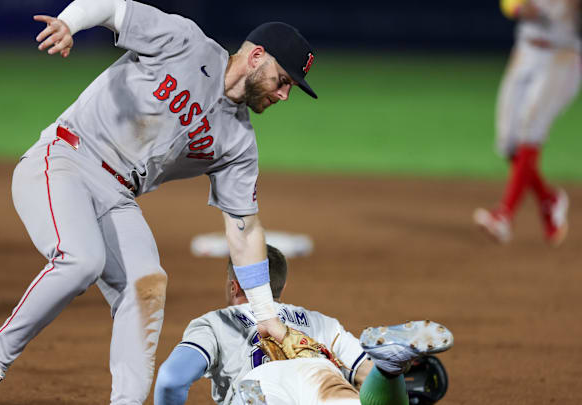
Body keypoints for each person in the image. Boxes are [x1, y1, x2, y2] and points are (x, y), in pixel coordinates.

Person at [0, 0, 320, 403]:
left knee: (147, 285)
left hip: (117, 196)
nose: (284, 94)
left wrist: (265, 315)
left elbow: (243, 227)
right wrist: (69, 23)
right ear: (257, 57)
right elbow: (109, 7)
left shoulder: (239, 144)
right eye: (283, 80)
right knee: (81, 260)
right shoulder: (186, 43)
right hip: (64, 158)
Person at [154, 246, 453, 405]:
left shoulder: (215, 323)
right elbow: (364, 373)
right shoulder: (321, 322)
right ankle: (391, 369)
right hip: (321, 375)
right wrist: (390, 380)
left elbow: (171, 379)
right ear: (281, 287)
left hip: (260, 388)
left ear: (234, 287)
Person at [473, 0, 581, 245]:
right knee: (508, 143)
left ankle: (504, 215)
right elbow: (509, 3)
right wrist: (520, 9)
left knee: (531, 130)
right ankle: (548, 199)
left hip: (563, 56)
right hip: (526, 51)